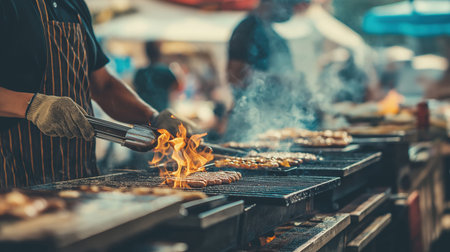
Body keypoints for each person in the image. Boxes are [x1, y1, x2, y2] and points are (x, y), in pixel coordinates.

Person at [0, 0, 187, 189]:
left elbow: (103, 86)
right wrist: (34, 106)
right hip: (16, 179)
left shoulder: (74, 4)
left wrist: (153, 118)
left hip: (79, 178)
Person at [134, 41, 179, 111]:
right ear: (159, 53)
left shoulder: (140, 72)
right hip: (160, 110)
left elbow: (135, 88)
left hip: (142, 110)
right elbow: (178, 86)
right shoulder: (166, 71)